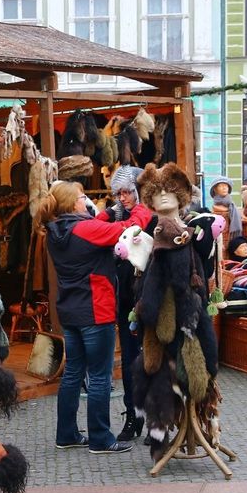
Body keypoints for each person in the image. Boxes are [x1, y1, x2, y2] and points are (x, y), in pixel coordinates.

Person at [40, 180, 152, 454]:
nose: (86, 201)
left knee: (73, 374)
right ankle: (100, 438)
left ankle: (65, 434)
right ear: (72, 203)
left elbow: (93, 225)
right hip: (95, 308)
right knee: (100, 376)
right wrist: (142, 210)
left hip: (70, 311)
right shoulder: (86, 229)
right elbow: (126, 229)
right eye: (81, 197)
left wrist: (107, 212)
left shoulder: (55, 230)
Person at [98, 166, 150, 442]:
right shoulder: (115, 216)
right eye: (119, 192)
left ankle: (156, 417)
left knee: (153, 360)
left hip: (149, 300)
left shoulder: (150, 217)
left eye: (128, 191)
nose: (124, 197)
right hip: (124, 300)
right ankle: (133, 415)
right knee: (130, 362)